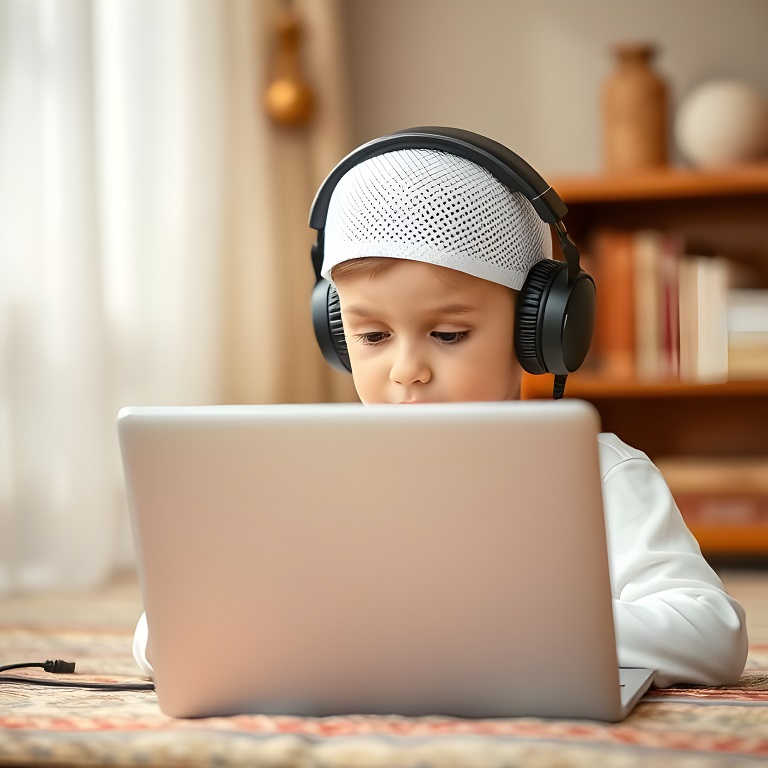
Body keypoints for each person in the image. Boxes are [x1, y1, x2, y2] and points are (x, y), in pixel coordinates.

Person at [133, 128, 748, 688]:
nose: (406, 370)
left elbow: (712, 637)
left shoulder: (601, 474)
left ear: (541, 330)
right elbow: (160, 637)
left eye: (448, 335)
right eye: (371, 337)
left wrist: (476, 626)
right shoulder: (313, 474)